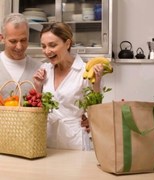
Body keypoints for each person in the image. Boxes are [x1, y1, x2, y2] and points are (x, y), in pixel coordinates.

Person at [33, 22, 104, 150]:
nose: (47, 51)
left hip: (74, 142)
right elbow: (39, 110)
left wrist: (97, 84)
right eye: (43, 46)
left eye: (52, 45)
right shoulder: (45, 70)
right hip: (47, 141)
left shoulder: (85, 71)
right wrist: (38, 87)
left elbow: (96, 109)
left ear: (67, 43)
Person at [0, 13, 42, 97]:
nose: (19, 47)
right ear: (2, 38)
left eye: (23, 40)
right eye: (13, 41)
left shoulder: (39, 68)